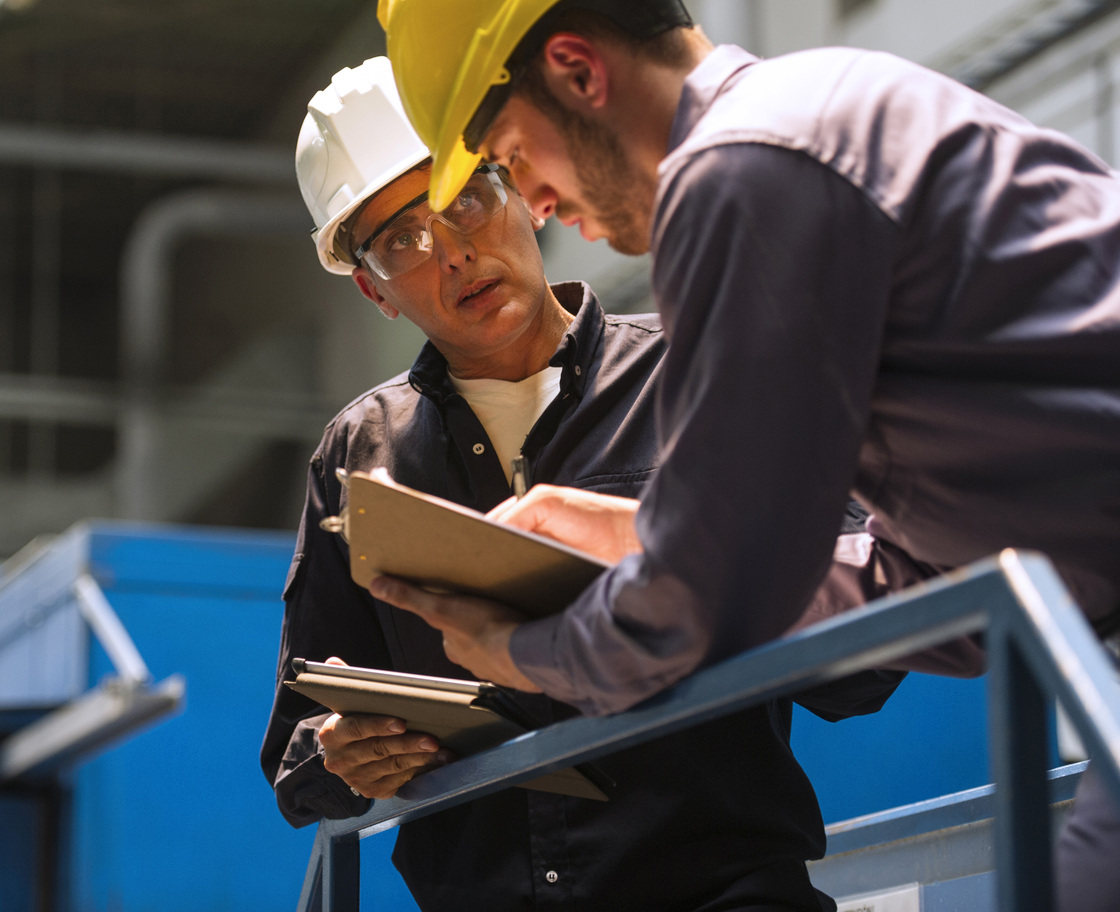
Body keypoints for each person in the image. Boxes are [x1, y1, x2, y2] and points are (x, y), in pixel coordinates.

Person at [370, 0, 1120, 911]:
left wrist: (519, 652)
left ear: (577, 71)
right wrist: (639, 537)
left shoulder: (743, 171)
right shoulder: (810, 120)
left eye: (508, 159)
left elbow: (701, 606)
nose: (534, 203)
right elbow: (916, 578)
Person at [262, 56, 901, 912]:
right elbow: (300, 752)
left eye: (464, 201)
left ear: (518, 189)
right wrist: (340, 755)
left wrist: (687, 587)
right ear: (376, 291)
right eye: (404, 239)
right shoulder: (359, 456)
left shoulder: (699, 377)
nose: (453, 252)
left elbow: (865, 658)